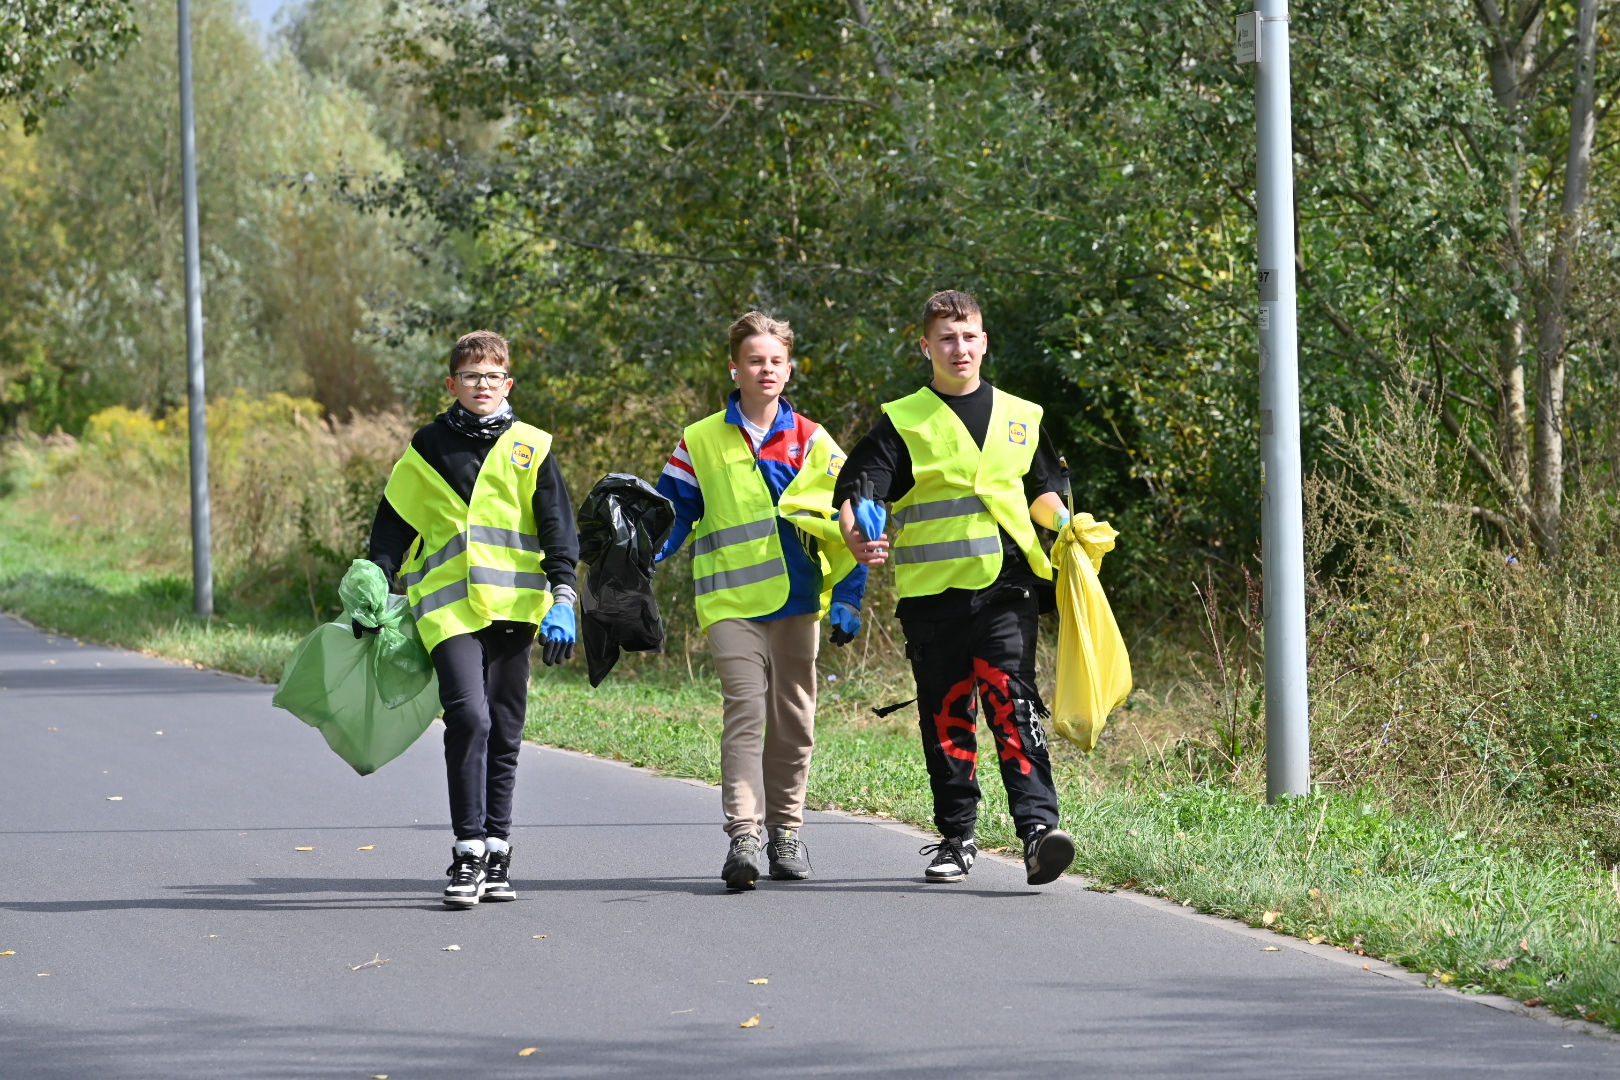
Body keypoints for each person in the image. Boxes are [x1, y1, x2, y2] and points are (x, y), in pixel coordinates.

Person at [834, 290, 1077, 886]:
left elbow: (1043, 492)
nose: (959, 348)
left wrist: (1069, 525)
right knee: (947, 717)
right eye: (946, 338)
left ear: (984, 341)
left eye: (968, 337)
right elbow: (859, 492)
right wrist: (857, 535)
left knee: (1012, 705)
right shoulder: (903, 422)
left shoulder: (1024, 416)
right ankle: (957, 836)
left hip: (1009, 588)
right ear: (926, 347)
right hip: (933, 598)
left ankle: (1039, 832)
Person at [656, 311, 868, 891]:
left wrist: (849, 595)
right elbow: (673, 512)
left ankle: (786, 832)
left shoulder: (813, 440)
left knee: (794, 720)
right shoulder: (700, 438)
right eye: (755, 360)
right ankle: (744, 836)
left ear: (789, 369)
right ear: (735, 367)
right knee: (746, 712)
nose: (766, 368)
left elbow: (852, 521)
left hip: (799, 603)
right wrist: (642, 558)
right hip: (729, 601)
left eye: (776, 360)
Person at [368, 330, 580, 908]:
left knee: (506, 728)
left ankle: (497, 847)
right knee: (470, 718)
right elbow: (394, 523)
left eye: (492, 376)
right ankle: (466, 852)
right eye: (470, 376)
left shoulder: (530, 447)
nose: (481, 386)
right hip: (448, 607)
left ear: (507, 383)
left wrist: (564, 593)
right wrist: (375, 576)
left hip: (515, 606)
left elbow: (558, 528)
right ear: (451, 383)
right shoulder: (430, 445)